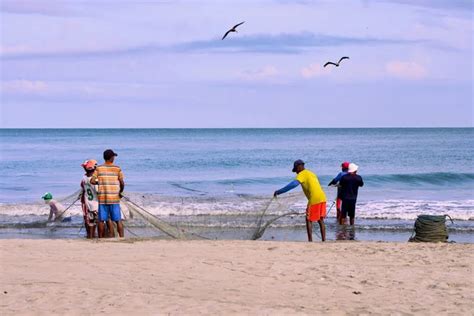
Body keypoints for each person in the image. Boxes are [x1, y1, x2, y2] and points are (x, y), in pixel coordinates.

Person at [273, 160, 327, 242]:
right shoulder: (311, 173)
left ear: (299, 167)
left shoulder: (302, 174)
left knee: (308, 219)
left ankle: (310, 241)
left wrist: (279, 191)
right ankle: (324, 240)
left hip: (314, 198)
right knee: (320, 220)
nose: (296, 173)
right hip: (322, 197)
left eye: (296, 170)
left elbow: (293, 184)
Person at [91, 149, 125, 238]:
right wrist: (120, 192)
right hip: (114, 198)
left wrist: (101, 182)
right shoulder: (117, 168)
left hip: (103, 198)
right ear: (111, 157)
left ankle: (101, 238)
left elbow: (92, 181)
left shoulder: (99, 168)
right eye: (113, 156)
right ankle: (121, 238)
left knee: (101, 220)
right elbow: (122, 182)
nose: (114, 158)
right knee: (118, 220)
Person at [80, 159, 99, 238]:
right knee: (99, 222)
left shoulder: (84, 178)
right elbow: (98, 192)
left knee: (90, 222)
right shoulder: (95, 180)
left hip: (88, 204)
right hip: (96, 205)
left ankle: (90, 236)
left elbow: (82, 187)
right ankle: (98, 237)